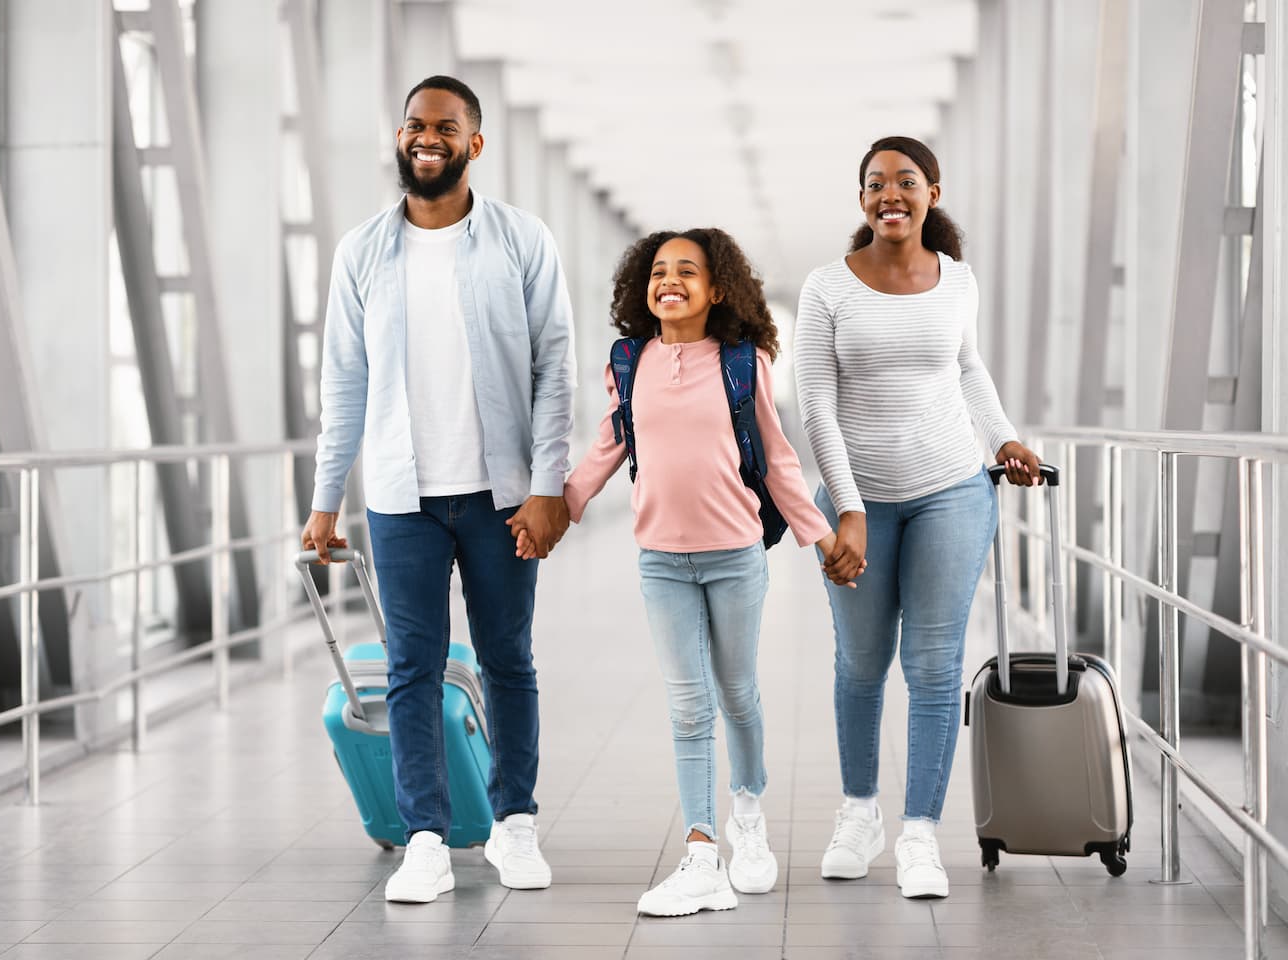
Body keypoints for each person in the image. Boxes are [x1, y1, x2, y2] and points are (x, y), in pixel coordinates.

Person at [301, 75, 575, 904]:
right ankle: (423, 836)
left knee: (508, 661)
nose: (426, 137)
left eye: (445, 127)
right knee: (411, 669)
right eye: (415, 124)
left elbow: (554, 369)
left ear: (473, 144)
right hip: (400, 497)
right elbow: (343, 385)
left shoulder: (522, 240)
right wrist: (325, 501)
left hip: (501, 496)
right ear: (400, 137)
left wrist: (547, 487)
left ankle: (514, 824)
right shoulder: (361, 252)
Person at [535, 228, 860, 918]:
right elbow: (606, 444)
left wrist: (822, 538)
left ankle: (747, 813)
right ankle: (702, 853)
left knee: (737, 692)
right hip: (661, 561)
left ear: (717, 290)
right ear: (641, 287)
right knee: (688, 707)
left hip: (736, 555)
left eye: (688, 270)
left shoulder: (743, 363)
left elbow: (776, 460)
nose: (670, 280)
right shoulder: (629, 360)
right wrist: (557, 510)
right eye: (658, 271)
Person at [794, 136, 1043, 900]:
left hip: (951, 490)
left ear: (932, 191)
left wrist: (1002, 436)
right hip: (860, 499)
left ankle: (920, 835)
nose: (890, 194)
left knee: (934, 667)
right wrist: (849, 508)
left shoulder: (957, 280)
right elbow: (816, 406)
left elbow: (967, 365)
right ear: (862, 199)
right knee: (861, 663)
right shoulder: (827, 288)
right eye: (876, 184)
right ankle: (859, 813)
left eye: (905, 181)